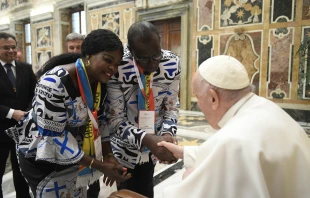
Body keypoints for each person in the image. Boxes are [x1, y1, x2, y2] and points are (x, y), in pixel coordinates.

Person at [156, 55, 310, 198]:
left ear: (213, 98)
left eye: (198, 96)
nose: (199, 105)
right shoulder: (266, 108)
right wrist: (183, 152)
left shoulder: (233, 141)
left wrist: (187, 179)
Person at [5, 29, 131, 198]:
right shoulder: (54, 82)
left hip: (77, 155)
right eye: (108, 60)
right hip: (44, 159)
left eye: (117, 64)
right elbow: (54, 136)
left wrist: (108, 155)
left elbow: (99, 120)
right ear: (87, 55)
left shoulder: (101, 82)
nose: (113, 68)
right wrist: (98, 165)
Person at [104, 21, 180, 197]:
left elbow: (171, 106)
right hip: (124, 149)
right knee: (126, 192)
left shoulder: (172, 63)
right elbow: (115, 121)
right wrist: (148, 139)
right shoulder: (118, 66)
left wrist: (167, 135)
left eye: (156, 55)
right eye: (144, 58)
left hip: (154, 147)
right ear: (130, 50)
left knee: (146, 187)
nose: (152, 63)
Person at [0, 32, 36, 198]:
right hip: (0, 131)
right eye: (6, 48)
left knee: (22, 173)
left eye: (13, 47)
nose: (11, 51)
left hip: (23, 131)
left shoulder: (25, 69)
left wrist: (28, 112)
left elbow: (34, 94)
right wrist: (12, 113)